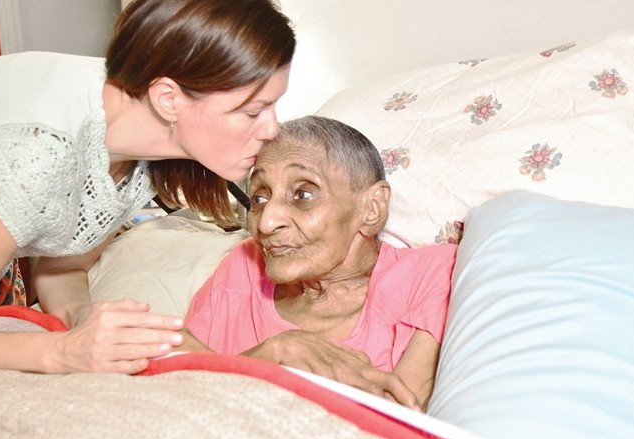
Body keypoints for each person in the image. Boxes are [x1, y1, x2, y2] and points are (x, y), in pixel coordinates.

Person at [0, 0, 295, 374]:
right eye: (253, 111)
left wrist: (83, 320)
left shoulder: (138, 144)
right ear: (168, 99)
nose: (272, 129)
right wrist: (63, 352)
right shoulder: (34, 150)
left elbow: (60, 265)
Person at [178, 116, 457, 411]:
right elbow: (178, 393)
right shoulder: (243, 267)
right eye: (259, 198)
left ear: (372, 207)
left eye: (303, 194)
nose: (266, 222)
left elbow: (398, 418)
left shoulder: (433, 274)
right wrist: (271, 355)